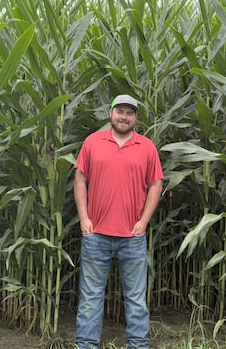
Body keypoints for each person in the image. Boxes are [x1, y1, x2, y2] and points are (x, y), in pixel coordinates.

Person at [73, 94, 164, 349]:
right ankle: (86, 345)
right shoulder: (92, 142)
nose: (124, 117)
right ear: (110, 113)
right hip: (96, 235)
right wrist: (84, 219)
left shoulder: (146, 147)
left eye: (129, 113)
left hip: (132, 238)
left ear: (135, 117)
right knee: (91, 298)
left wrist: (144, 222)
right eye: (120, 111)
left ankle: (138, 346)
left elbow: (156, 184)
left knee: (136, 299)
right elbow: (80, 179)